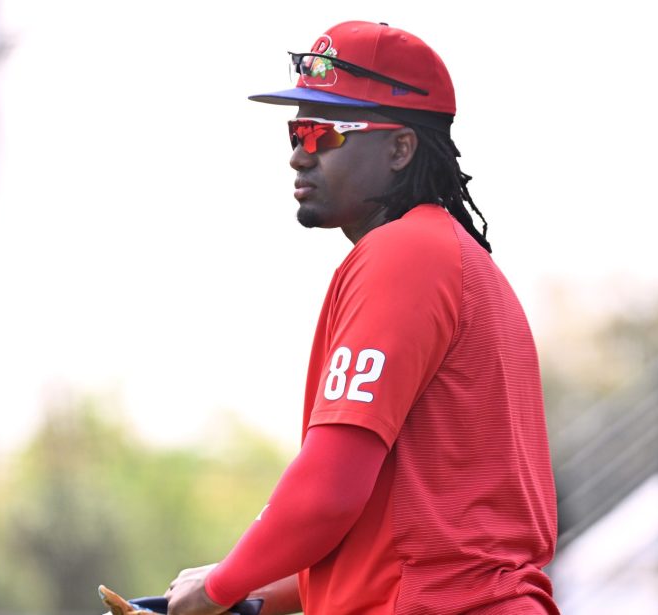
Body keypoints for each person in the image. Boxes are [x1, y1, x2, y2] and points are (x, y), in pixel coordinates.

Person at [164, 21, 559, 615]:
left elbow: (331, 488)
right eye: (297, 129)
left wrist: (219, 587)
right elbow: (402, 534)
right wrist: (250, 590)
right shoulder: (448, 257)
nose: (300, 152)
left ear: (400, 149)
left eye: (325, 132)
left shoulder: (407, 254)